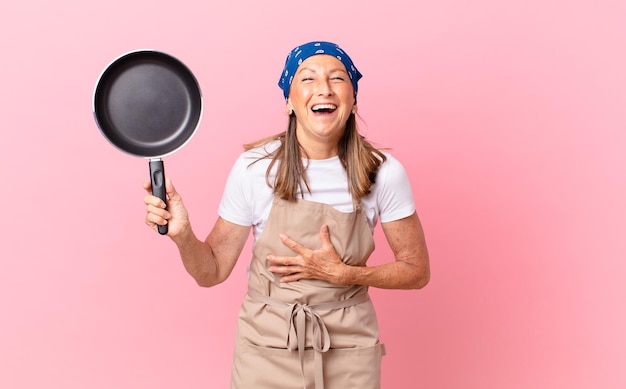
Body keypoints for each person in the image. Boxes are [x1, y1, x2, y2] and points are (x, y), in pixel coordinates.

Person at [143, 41, 430, 389]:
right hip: (266, 346)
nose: (324, 88)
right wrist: (184, 235)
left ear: (353, 100)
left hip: (349, 344)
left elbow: (416, 271)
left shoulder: (383, 172)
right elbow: (212, 271)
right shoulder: (254, 168)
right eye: (307, 79)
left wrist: (344, 274)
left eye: (337, 78)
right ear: (289, 102)